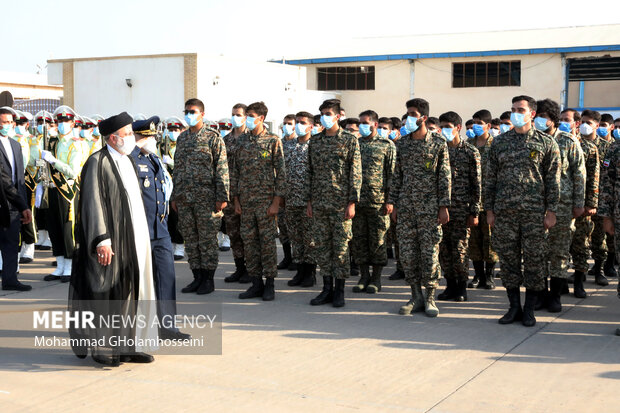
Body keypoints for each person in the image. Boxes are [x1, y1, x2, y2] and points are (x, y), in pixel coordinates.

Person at [69, 111, 158, 366]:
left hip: (135, 239)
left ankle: (130, 346)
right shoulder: (98, 162)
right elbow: (92, 202)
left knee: (131, 291)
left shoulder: (127, 161)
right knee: (107, 294)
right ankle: (104, 348)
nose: (132, 137)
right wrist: (102, 240)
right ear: (112, 138)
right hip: (112, 241)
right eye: (128, 133)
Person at [485, 95, 561, 327]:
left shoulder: (546, 143)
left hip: (534, 215)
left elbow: (554, 181)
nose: (515, 113)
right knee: (508, 262)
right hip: (505, 214)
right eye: (513, 109)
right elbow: (489, 180)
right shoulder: (499, 143)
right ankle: (513, 307)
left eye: (520, 109)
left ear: (532, 114)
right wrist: (489, 210)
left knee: (535, 262)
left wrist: (551, 211)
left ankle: (529, 309)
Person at [387, 98, 450, 318]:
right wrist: (392, 203)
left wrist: (444, 206)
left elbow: (444, 177)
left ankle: (430, 297)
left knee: (430, 255)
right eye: (407, 114)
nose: (408, 118)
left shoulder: (438, 144)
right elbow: (396, 177)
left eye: (412, 114)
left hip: (429, 210)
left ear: (423, 117)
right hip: (405, 209)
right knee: (408, 254)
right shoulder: (402, 144)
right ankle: (415, 296)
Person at [130, 117, 190, 340]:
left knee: (166, 278)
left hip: (160, 230)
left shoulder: (154, 158)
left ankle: (168, 327)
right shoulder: (131, 160)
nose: (154, 140)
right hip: (141, 230)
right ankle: (141, 328)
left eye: (155, 136)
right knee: (141, 284)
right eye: (150, 136)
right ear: (140, 138)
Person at [304, 99, 361, 308]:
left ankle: (339, 291)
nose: (324, 117)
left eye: (328, 113)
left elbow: (355, 174)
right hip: (319, 203)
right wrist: (309, 200)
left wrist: (352, 202)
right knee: (322, 248)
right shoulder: (315, 141)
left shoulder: (349, 140)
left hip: (340, 205)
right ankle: (326, 289)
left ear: (338, 116)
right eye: (321, 114)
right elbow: (309, 172)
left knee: (340, 249)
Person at [170, 98, 229, 296]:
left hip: (207, 199)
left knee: (207, 240)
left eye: (193, 111)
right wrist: (174, 196)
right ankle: (196, 277)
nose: (189, 115)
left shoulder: (213, 138)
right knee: (191, 240)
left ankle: (208, 279)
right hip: (185, 198)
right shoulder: (182, 138)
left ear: (202, 114)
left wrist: (222, 197)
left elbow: (221, 169)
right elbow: (177, 169)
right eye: (186, 111)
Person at [534, 99, 585, 312]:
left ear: (553, 120)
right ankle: (539, 295)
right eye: (537, 115)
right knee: (537, 252)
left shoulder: (568, 141)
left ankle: (555, 295)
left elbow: (579, 173)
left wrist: (579, 203)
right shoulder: (532, 140)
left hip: (562, 207)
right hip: (535, 206)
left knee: (559, 252)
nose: (538, 120)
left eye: (543, 116)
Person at [231, 101, 285, 301]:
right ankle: (256, 283)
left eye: (251, 116)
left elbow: (281, 174)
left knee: (267, 244)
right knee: (250, 244)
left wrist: (276, 203)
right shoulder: (242, 141)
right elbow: (235, 172)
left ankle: (269, 284)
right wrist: (236, 200)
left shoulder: (273, 141)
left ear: (261, 118)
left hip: (266, 204)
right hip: (246, 203)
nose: (248, 119)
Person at [437, 111, 481, 302]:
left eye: (448, 127)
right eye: (442, 127)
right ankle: (450, 285)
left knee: (460, 249)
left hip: (462, 209)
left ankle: (461, 287)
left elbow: (477, 184)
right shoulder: (438, 150)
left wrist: (474, 211)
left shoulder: (470, 152)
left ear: (458, 128)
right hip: (440, 209)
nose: (444, 130)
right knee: (444, 249)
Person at [351, 112, 395, 294]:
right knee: (359, 240)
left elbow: (392, 175)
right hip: (358, 202)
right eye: (360, 123)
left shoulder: (387, 145)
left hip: (378, 203)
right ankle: (363, 276)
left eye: (365, 123)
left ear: (375, 124)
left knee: (378, 241)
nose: (361, 126)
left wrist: (390, 200)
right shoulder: (355, 144)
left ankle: (376, 279)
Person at [40, 105, 84, 282]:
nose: (62, 124)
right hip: (51, 189)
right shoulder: (51, 141)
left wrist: (53, 160)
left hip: (66, 191)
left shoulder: (76, 144)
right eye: (60, 121)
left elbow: (72, 171)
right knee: (54, 228)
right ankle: (59, 266)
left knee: (67, 230)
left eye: (66, 121)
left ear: (73, 123)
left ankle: (70, 266)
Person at [566, 108, 599, 298]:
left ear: (576, 123)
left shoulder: (588, 148)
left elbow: (594, 178)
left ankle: (579, 282)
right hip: (562, 205)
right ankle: (560, 283)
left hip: (582, 206)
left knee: (580, 245)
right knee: (559, 247)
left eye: (567, 120)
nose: (563, 123)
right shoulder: (557, 143)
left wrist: (591, 204)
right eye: (561, 119)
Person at [0, 108, 33, 291]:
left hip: (14, 205)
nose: (5, 126)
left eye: (8, 122)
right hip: (2, 201)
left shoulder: (15, 145)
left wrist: (24, 206)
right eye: (2, 122)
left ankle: (10, 279)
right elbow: (3, 179)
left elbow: (20, 179)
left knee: (12, 244)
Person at [283, 111, 317, 288]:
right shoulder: (288, 146)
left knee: (309, 239)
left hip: (308, 202)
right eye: (297, 122)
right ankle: (299, 271)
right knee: (295, 238)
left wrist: (311, 200)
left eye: (302, 122)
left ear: (311, 126)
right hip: (290, 200)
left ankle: (310, 273)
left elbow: (318, 176)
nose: (298, 125)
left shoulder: (316, 146)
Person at [467, 109, 498, 289]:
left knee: (491, 240)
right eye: (474, 123)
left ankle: (489, 276)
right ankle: (477, 275)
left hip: (489, 201)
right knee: (474, 240)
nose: (476, 126)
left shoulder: (496, 145)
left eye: (480, 123)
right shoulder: (469, 145)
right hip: (472, 200)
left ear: (487, 125)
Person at [581, 110, 611, 286]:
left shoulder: (608, 147)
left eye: (589, 122)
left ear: (597, 125)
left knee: (599, 237)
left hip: (601, 199)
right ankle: (581, 269)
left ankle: (599, 270)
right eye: (583, 121)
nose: (585, 125)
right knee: (580, 237)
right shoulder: (576, 144)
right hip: (579, 198)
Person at [222, 104, 250, 283]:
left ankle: (251, 269)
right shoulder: (226, 140)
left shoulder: (251, 138)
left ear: (246, 117)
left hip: (248, 195)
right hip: (230, 194)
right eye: (233, 115)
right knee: (233, 233)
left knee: (247, 234)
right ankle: (239, 268)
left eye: (238, 115)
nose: (235, 118)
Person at [161, 116, 187, 260]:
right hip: (165, 186)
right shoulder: (162, 145)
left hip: (179, 185)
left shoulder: (184, 145)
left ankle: (180, 246)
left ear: (182, 130)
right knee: (167, 217)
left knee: (178, 217)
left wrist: (172, 163)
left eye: (175, 130)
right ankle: (170, 244)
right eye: (170, 130)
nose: (173, 133)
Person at [14, 110, 36, 264]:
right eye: (17, 123)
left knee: (28, 214)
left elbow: (30, 160)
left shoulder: (31, 140)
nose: (18, 126)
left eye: (22, 124)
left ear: (27, 125)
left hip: (27, 181)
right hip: (12, 182)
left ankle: (29, 247)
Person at [277, 114, 297, 271]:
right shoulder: (279, 143)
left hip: (297, 194)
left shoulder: (302, 143)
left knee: (296, 229)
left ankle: (298, 259)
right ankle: (287, 257)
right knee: (283, 227)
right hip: (281, 193)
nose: (286, 126)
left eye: (289, 123)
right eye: (284, 123)